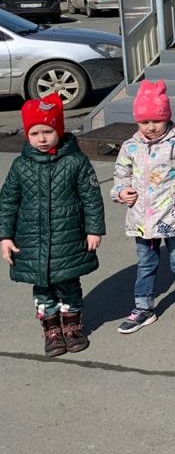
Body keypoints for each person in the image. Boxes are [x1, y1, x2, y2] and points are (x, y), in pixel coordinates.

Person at [0, 94, 104, 357]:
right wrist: (5, 236)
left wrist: (94, 230)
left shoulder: (76, 161)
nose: (42, 138)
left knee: (69, 285)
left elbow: (91, 197)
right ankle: (51, 331)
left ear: (59, 130)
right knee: (43, 288)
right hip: (32, 242)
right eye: (35, 133)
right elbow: (8, 202)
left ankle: (72, 328)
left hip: (67, 238)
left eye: (48, 131)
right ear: (27, 135)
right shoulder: (20, 165)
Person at [112, 80, 175, 335]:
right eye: (145, 122)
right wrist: (120, 191)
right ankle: (143, 307)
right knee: (145, 264)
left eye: (156, 121)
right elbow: (120, 174)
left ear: (167, 118)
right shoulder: (130, 146)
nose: (151, 127)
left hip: (173, 218)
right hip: (142, 220)